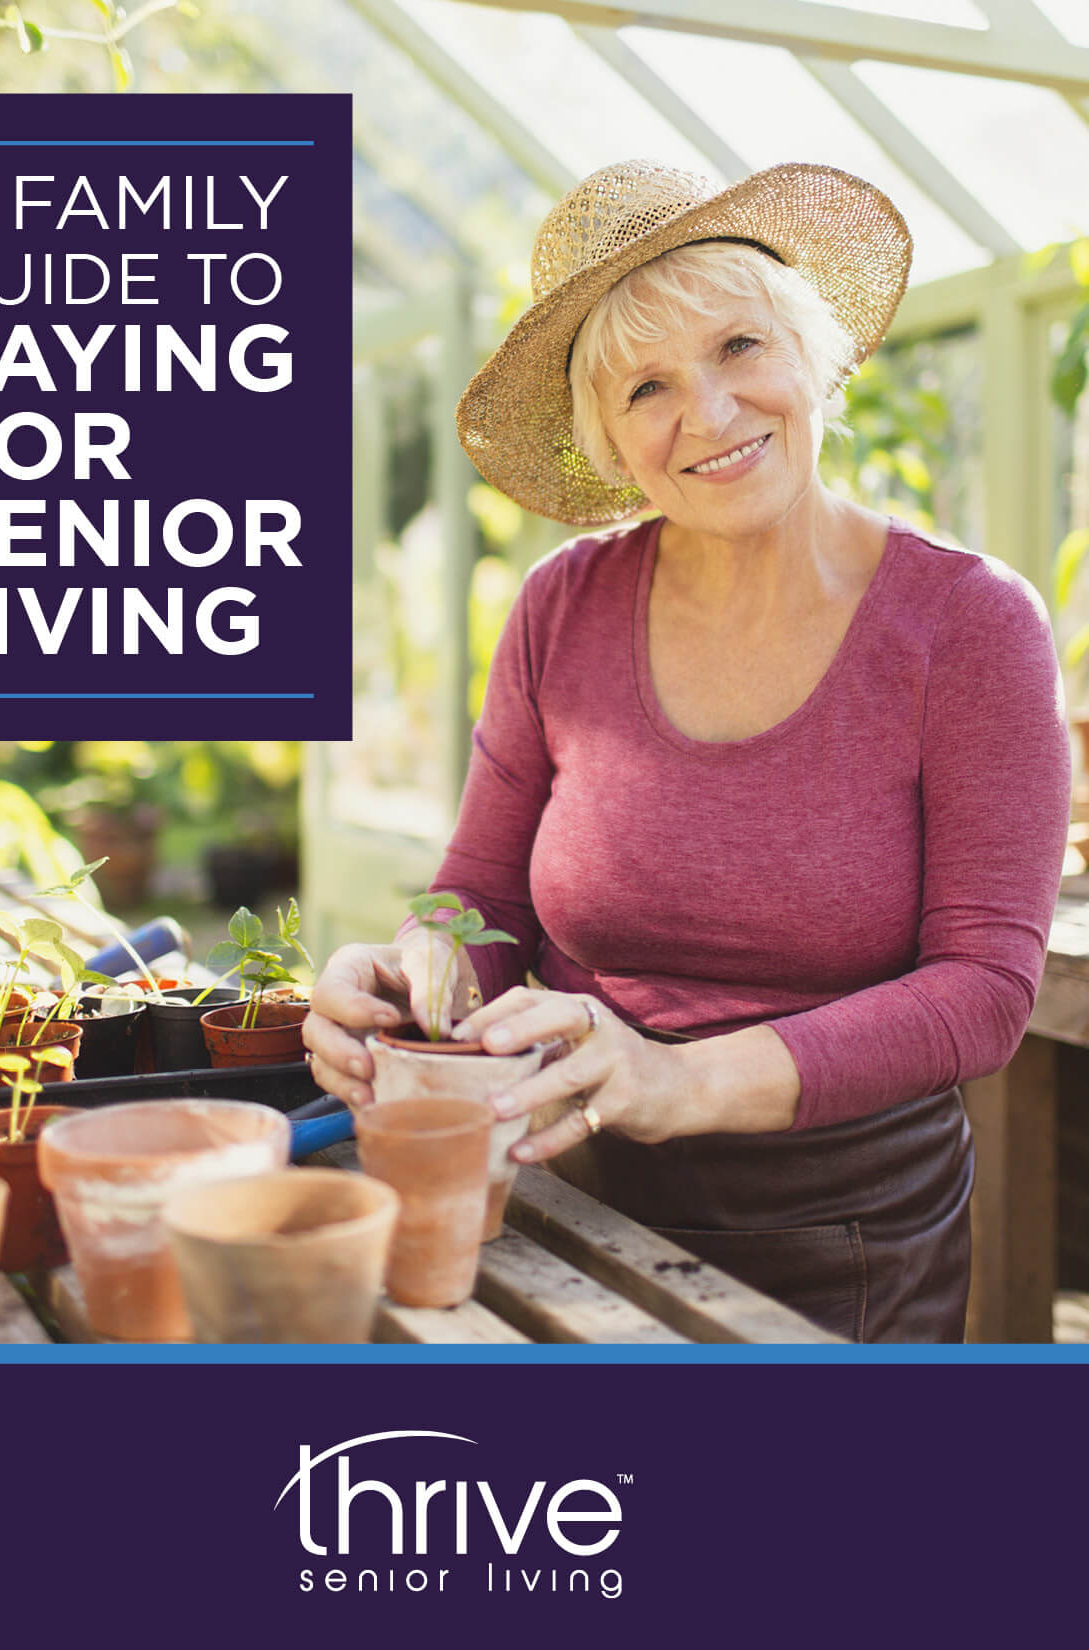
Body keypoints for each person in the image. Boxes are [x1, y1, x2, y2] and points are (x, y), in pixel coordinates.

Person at [303, 160, 1071, 1342]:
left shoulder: (968, 625)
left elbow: (983, 993)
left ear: (813, 355)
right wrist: (411, 980)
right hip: (561, 1203)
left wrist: (675, 1081)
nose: (707, 415)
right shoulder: (563, 608)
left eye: (739, 346)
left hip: (843, 1246)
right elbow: (481, 901)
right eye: (647, 386)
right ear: (608, 439)